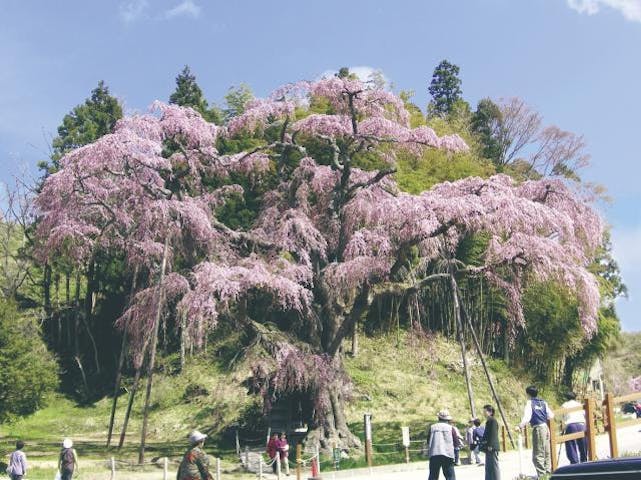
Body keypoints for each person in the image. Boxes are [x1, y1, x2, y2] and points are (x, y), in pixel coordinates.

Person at [518, 385, 554, 479]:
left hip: (538, 428)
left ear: (528, 394)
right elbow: (551, 415)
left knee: (537, 455)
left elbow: (527, 417)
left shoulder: (530, 403)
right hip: (545, 427)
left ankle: (542, 476)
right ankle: (548, 473)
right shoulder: (543, 402)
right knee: (546, 452)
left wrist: (520, 426)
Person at [427, 409, 456, 480]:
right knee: (450, 476)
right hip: (447, 454)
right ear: (448, 419)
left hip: (434, 454)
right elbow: (456, 442)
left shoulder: (432, 427)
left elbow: (428, 441)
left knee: (433, 476)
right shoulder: (451, 428)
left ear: (438, 418)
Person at [561, 392, 587, 464]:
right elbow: (584, 414)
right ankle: (584, 460)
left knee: (570, 444)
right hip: (581, 424)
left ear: (567, 398)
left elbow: (563, 418)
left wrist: (563, 429)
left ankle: (574, 462)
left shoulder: (564, 405)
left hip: (571, 425)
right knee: (583, 443)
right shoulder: (579, 404)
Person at [481, 405, 501, 480]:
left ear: (490, 412)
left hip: (491, 447)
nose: (484, 413)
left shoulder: (493, 421)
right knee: (489, 466)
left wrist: (490, 445)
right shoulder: (489, 421)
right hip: (488, 447)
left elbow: (493, 434)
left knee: (494, 466)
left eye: (485, 411)